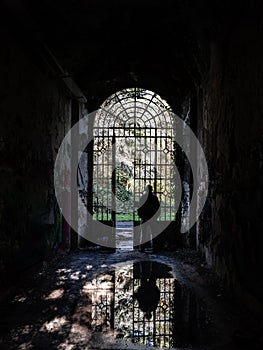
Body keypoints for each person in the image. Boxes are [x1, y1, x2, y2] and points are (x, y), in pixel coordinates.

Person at [137, 184, 160, 252]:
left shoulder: (143, 197)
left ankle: (142, 248)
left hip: (145, 218)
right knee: (153, 233)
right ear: (152, 190)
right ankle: (154, 248)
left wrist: (140, 215)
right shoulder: (154, 198)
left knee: (143, 233)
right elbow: (158, 208)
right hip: (152, 218)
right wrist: (156, 216)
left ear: (146, 190)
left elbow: (139, 207)